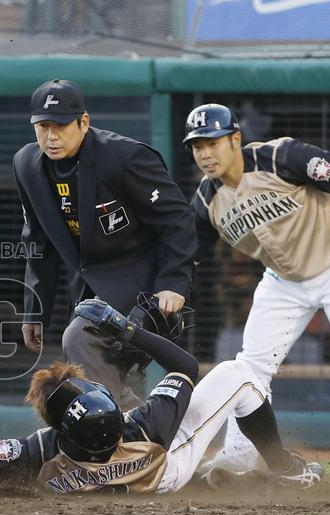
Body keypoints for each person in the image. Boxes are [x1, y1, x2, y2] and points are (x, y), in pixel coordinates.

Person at [0, 299, 323, 495]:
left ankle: (215, 473)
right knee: (238, 374)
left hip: (114, 479)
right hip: (164, 466)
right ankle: (281, 464)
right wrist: (126, 328)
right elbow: (187, 369)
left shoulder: (45, 450)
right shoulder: (143, 422)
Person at [184, 103, 330, 474]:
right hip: (284, 281)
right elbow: (186, 254)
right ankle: (239, 454)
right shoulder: (206, 200)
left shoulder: (279, 157)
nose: (205, 153)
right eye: (197, 146)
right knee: (249, 367)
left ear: (235, 139)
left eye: (213, 142)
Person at [15, 79, 197, 410]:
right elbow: (37, 243)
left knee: (79, 338)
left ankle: (126, 429)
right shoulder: (27, 165)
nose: (51, 136)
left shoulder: (124, 156)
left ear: (84, 122)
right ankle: (145, 446)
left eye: (61, 125)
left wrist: (173, 283)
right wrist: (35, 310)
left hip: (141, 280)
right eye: (43, 126)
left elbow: (178, 220)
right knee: (112, 370)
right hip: (88, 287)